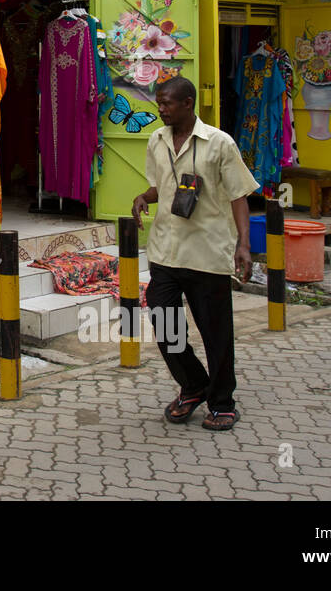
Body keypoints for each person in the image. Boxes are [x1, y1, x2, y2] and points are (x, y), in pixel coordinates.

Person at [131, 75, 259, 431]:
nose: (161, 109)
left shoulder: (220, 143)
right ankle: (193, 385)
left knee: (215, 332)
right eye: (158, 103)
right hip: (166, 252)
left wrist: (244, 245)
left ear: (188, 103)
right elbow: (163, 187)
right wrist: (145, 196)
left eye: (167, 103)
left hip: (207, 253)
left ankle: (222, 401)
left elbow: (238, 196)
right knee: (164, 323)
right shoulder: (156, 140)